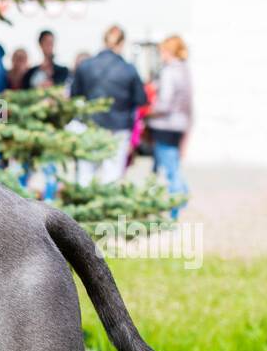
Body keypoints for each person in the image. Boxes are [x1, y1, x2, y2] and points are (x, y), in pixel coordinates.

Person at [71, 25, 148, 185]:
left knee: (85, 173)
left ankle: (83, 208)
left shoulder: (86, 66)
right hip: (118, 129)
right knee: (112, 175)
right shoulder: (128, 69)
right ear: (122, 43)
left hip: (89, 125)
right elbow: (141, 100)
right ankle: (111, 210)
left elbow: (74, 96)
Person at [146, 35, 192, 219]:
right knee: (172, 165)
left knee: (170, 170)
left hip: (164, 125)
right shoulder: (184, 70)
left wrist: (148, 113)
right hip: (179, 125)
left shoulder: (168, 72)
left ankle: (176, 206)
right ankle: (178, 198)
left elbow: (164, 104)